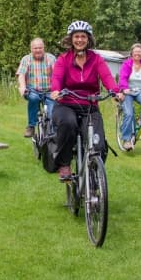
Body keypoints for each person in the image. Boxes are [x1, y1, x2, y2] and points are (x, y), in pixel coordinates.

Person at [50, 21, 120, 181]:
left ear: (88, 39)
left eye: (83, 36)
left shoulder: (96, 59)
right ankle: (65, 163)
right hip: (66, 104)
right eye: (76, 36)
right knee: (68, 124)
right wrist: (56, 91)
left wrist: (115, 91)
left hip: (90, 106)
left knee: (99, 144)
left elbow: (107, 77)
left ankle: (94, 176)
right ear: (71, 39)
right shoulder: (63, 59)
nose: (80, 40)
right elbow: (57, 77)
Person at [16, 37, 56, 137]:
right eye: (35, 48)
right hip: (33, 90)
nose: (38, 50)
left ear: (44, 48)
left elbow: (57, 74)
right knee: (33, 98)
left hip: (49, 91)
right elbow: (21, 74)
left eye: (40, 48)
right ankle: (31, 126)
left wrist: (58, 89)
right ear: (31, 49)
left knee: (52, 113)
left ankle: (52, 134)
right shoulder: (26, 59)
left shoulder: (51, 58)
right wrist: (22, 87)